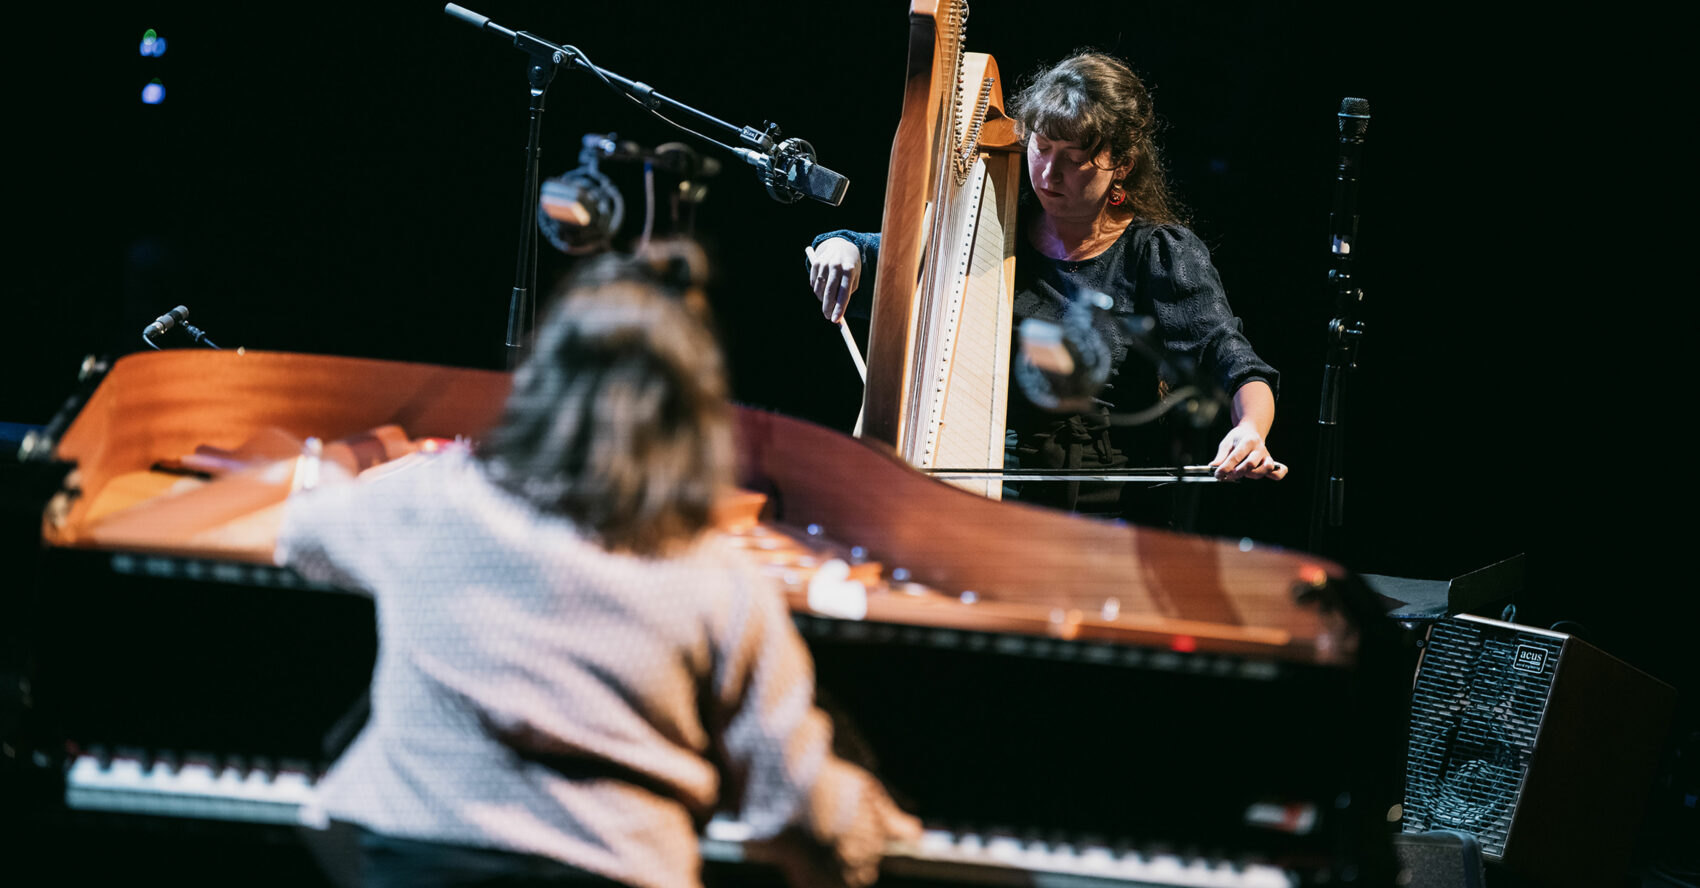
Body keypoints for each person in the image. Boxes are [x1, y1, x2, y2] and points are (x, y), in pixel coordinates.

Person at [276, 241, 918, 888]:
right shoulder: (716, 582)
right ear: (688, 422)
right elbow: (796, 802)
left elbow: (303, 529)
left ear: (539, 388)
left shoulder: (433, 507)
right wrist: (871, 817)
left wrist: (332, 464)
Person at [806, 51, 1285, 522]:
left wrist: (1250, 428)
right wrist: (842, 247)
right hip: (986, 482)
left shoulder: (1158, 252)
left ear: (1121, 163)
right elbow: (883, 250)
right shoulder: (992, 227)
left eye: (1074, 159)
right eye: (1041, 148)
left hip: (1104, 504)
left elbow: (1233, 359)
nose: (1049, 174)